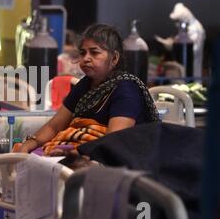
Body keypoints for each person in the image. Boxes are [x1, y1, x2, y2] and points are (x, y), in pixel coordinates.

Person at [14, 23, 159, 155]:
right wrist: (29, 144)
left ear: (114, 58)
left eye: (94, 52)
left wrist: (75, 154)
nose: (86, 58)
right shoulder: (85, 85)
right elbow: (55, 126)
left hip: (105, 160)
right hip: (77, 151)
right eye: (83, 53)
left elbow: (113, 141)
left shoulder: (126, 89)